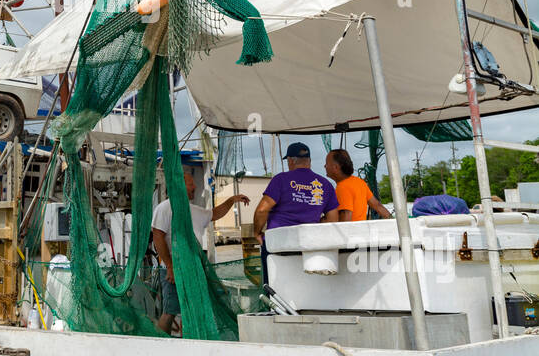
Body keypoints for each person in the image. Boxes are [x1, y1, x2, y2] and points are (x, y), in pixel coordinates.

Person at [151, 168, 249, 333]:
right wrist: (170, 266)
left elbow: (214, 214)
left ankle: (189, 341)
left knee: (192, 309)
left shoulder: (193, 209)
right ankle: (160, 345)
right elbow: (158, 237)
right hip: (173, 271)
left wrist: (232, 200)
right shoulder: (164, 208)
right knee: (170, 311)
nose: (195, 187)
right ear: (180, 186)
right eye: (191, 184)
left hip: (192, 270)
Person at [251, 142, 339, 285]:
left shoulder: (281, 179)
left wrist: (257, 232)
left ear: (291, 160)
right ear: (309, 161)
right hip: (309, 245)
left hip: (279, 245)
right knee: (305, 286)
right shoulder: (326, 184)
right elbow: (333, 221)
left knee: (275, 288)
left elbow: (262, 210)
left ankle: (275, 306)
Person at [324, 149, 392, 221]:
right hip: (362, 230)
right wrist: (394, 221)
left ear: (336, 167)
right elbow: (378, 206)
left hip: (351, 231)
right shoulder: (359, 182)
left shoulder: (342, 187)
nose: (325, 166)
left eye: (327, 163)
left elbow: (346, 217)